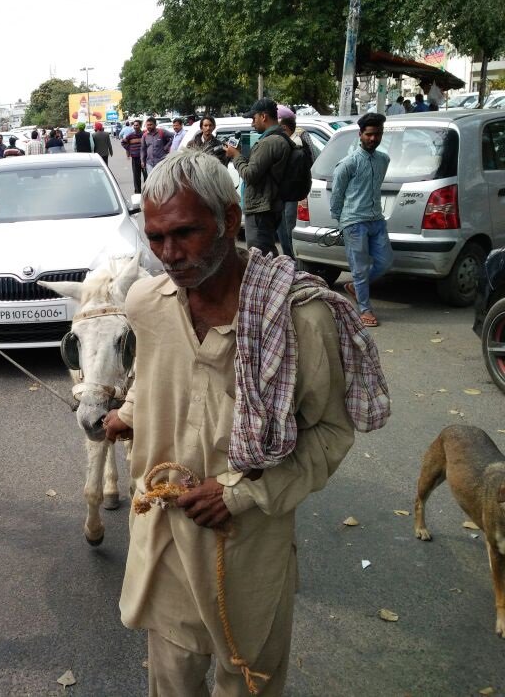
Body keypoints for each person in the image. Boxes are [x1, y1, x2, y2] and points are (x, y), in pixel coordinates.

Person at [104, 149, 361, 696]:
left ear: (231, 219)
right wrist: (127, 415)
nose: (169, 254)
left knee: (248, 683)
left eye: (186, 233)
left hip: (246, 550)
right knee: (171, 683)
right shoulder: (147, 303)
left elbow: (332, 432)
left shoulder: (296, 318)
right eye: (155, 238)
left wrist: (238, 493)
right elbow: (152, 378)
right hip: (163, 541)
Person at [331, 112, 393, 327]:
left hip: (376, 219)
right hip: (354, 222)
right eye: (369, 134)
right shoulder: (348, 163)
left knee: (385, 262)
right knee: (359, 268)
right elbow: (337, 195)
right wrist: (341, 221)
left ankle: (356, 288)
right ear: (360, 135)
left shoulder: (383, 160)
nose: (373, 138)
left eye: (377, 134)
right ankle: (365, 309)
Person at [223, 98, 292, 256]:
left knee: (259, 256)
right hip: (268, 205)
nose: (252, 124)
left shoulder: (269, 142)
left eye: (253, 119)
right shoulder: (278, 138)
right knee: (265, 252)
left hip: (261, 208)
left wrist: (236, 155)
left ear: (264, 116)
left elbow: (250, 175)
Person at [275, 114, 315, 260]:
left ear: (285, 128)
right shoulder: (291, 142)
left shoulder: (297, 145)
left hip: (292, 193)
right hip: (285, 193)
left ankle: (293, 260)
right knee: (282, 227)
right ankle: (289, 258)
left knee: (288, 227)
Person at [122, 119, 145, 193]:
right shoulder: (130, 136)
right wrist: (130, 149)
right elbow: (123, 142)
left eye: (137, 125)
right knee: (136, 176)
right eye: (134, 125)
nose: (135, 126)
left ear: (140, 126)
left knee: (146, 176)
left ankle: (147, 191)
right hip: (135, 158)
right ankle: (138, 192)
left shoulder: (144, 134)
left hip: (144, 158)